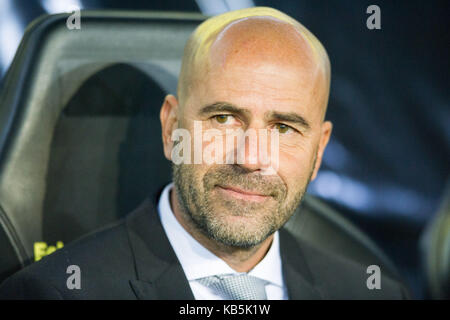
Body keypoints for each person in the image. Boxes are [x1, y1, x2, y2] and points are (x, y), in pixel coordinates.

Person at [0, 7, 408, 300]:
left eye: (284, 128)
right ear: (171, 126)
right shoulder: (54, 292)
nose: (250, 158)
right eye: (225, 118)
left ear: (318, 152)